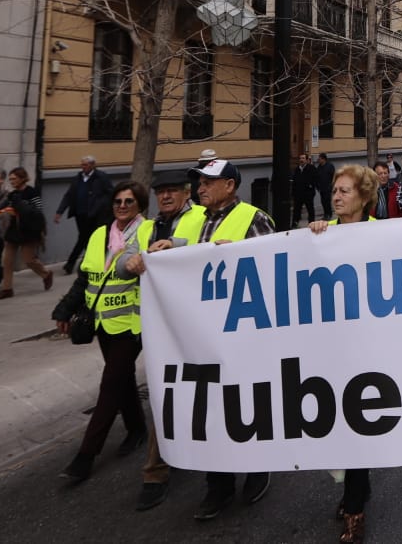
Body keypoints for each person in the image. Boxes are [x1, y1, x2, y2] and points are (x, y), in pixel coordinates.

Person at [139, 158, 278, 520]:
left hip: (242, 331)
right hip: (203, 332)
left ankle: (257, 468)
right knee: (212, 407)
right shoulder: (195, 220)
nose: (200, 188)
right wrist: (166, 253)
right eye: (198, 182)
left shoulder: (254, 217)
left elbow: (272, 267)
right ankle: (217, 486)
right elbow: (186, 263)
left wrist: (237, 255)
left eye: (208, 182)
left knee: (244, 403)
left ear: (230, 186)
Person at [53, 181, 153, 482]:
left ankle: (85, 455)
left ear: (140, 206)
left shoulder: (149, 232)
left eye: (129, 202)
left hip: (133, 323)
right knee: (120, 378)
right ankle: (136, 429)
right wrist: (64, 308)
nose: (122, 207)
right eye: (118, 202)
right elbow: (86, 277)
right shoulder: (99, 234)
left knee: (110, 384)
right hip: (102, 321)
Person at [119, 174, 206, 511]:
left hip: (196, 320)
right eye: (160, 192)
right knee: (164, 391)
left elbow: (213, 248)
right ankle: (155, 472)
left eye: (172, 191)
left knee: (204, 388)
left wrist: (176, 247)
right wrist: (132, 262)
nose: (165, 197)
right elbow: (123, 267)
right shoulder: (145, 227)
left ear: (187, 193)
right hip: (158, 328)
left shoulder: (201, 217)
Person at [307, 165, 380, 543]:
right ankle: (356, 491)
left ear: (363, 197)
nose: (336, 197)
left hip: (367, 348)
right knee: (340, 424)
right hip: (332, 348)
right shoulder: (323, 236)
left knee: (359, 424)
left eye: (344, 191)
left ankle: (355, 508)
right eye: (334, 190)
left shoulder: (381, 235)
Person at [0, 167, 53, 299]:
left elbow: (38, 211)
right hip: (14, 230)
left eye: (14, 179)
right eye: (10, 179)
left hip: (29, 231)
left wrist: (20, 209)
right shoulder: (12, 194)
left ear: (22, 178)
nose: (12, 182)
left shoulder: (32, 192)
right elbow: (0, 206)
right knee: (7, 260)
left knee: (28, 260)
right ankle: (7, 289)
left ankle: (46, 274)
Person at [57, 157, 115, 274]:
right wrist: (60, 211)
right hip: (80, 214)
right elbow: (69, 195)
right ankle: (88, 262)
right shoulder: (78, 178)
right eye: (82, 165)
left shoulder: (101, 177)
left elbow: (110, 193)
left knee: (84, 239)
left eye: (85, 165)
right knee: (85, 239)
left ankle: (71, 264)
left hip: (95, 215)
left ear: (93, 165)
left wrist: (105, 207)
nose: (83, 167)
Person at [292, 153, 318, 228]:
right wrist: (293, 193)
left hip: (308, 193)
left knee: (310, 209)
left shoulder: (311, 168)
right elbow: (295, 181)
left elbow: (315, 178)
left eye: (303, 158)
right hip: (298, 193)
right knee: (296, 210)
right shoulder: (297, 169)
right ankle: (294, 223)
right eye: (300, 158)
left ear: (307, 160)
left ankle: (311, 223)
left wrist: (311, 186)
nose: (301, 160)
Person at [314, 152, 336, 220]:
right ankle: (325, 214)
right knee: (323, 201)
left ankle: (329, 214)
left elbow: (334, 176)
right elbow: (317, 177)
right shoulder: (319, 167)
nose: (318, 160)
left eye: (320, 159)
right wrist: (317, 186)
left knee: (327, 201)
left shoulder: (329, 166)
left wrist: (332, 185)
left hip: (328, 187)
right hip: (321, 188)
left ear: (324, 159)